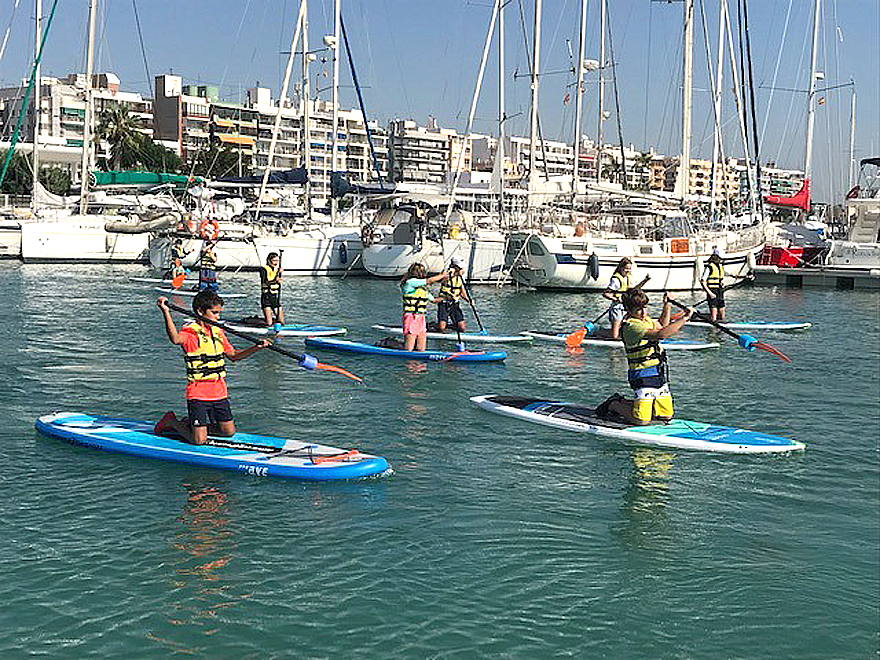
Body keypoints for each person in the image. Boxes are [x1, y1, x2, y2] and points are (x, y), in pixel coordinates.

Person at [154, 291, 270, 445]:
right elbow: (175, 339)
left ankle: (193, 425)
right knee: (199, 440)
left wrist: (256, 347)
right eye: (214, 313)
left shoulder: (217, 332)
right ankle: (172, 422)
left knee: (228, 432)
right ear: (200, 312)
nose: (218, 317)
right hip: (198, 393)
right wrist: (166, 312)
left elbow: (234, 355)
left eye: (219, 313)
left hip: (219, 391)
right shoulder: (190, 333)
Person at [599, 289, 694, 426]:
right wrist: (684, 319)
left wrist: (667, 305)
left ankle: (625, 402)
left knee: (664, 416)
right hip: (641, 374)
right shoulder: (632, 326)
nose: (643, 312)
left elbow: (662, 325)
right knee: (642, 420)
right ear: (629, 310)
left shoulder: (646, 320)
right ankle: (614, 405)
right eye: (639, 309)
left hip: (658, 372)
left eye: (645, 307)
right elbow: (661, 334)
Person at [400, 262, 447, 351]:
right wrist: (442, 275)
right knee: (409, 346)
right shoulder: (409, 283)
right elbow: (429, 281)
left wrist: (446, 298)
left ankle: (420, 363)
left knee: (421, 346)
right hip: (411, 316)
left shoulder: (422, 289)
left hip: (421, 318)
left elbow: (433, 300)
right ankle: (408, 360)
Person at [602, 258, 650, 339]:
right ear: (621, 268)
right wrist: (615, 299)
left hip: (627, 308)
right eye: (626, 268)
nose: (628, 270)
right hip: (617, 308)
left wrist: (645, 280)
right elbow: (606, 293)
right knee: (615, 336)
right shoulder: (616, 279)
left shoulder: (629, 278)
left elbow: (635, 289)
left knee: (625, 329)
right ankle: (597, 331)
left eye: (629, 269)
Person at [436, 258, 471, 334]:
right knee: (442, 328)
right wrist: (451, 274)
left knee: (462, 327)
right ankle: (438, 326)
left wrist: (468, 300)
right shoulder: (446, 273)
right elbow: (442, 280)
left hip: (454, 303)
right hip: (444, 302)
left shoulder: (460, 277)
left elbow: (462, 291)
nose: (462, 270)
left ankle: (452, 326)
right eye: (460, 268)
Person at [260, 252, 284, 326]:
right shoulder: (263, 269)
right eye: (274, 261)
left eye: (277, 261)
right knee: (269, 323)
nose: (276, 263)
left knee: (281, 321)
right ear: (269, 261)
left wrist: (279, 273)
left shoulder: (278, 269)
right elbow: (265, 283)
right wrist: (276, 281)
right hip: (266, 296)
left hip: (274, 296)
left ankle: (277, 326)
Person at [700, 251, 726, 322]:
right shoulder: (709, 267)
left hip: (720, 290)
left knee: (722, 308)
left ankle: (722, 322)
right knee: (714, 309)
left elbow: (725, 274)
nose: (721, 260)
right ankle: (713, 323)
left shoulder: (720, 266)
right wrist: (710, 293)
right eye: (720, 258)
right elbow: (703, 281)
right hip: (712, 290)